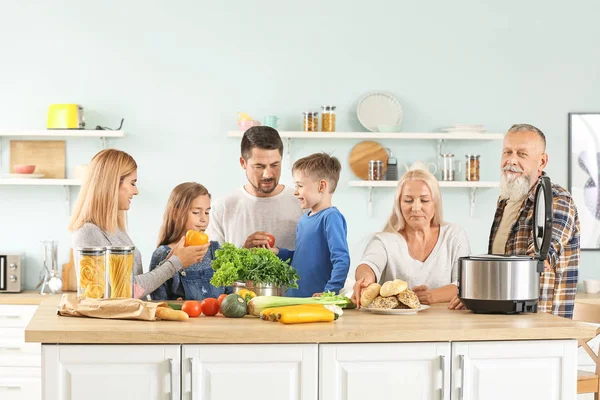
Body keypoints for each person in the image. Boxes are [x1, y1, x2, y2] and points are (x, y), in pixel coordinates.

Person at [449, 124, 580, 318]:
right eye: (507, 152)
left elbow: (540, 255)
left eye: (522, 154)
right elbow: (500, 264)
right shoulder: (505, 200)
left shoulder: (556, 199)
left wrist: (479, 289)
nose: (511, 160)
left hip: (543, 326)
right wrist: (475, 294)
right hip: (505, 322)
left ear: (542, 162)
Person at [69, 149, 208, 299]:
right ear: (112, 183)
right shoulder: (88, 233)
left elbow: (135, 289)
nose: (136, 191)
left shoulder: (115, 231)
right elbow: (125, 291)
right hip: (111, 323)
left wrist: (171, 260)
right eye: (132, 183)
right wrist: (175, 263)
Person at [352, 169, 471, 307]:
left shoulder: (454, 236)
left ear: (435, 203)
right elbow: (369, 264)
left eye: (424, 200)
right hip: (394, 325)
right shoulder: (384, 240)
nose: (416, 208)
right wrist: (365, 280)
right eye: (408, 200)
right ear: (399, 204)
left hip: (445, 322)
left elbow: (464, 284)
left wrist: (432, 296)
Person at [207, 126, 304, 249]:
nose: (268, 174)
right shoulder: (222, 208)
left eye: (274, 165)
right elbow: (214, 265)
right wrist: (243, 252)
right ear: (243, 163)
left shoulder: (302, 202)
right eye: (259, 166)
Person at [271, 153, 350, 297]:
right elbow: (303, 258)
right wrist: (279, 252)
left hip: (315, 302)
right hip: (293, 297)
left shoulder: (331, 217)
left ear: (321, 186)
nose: (295, 192)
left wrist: (329, 293)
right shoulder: (304, 220)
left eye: (300, 186)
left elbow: (341, 260)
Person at [149, 182, 233, 300]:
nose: (203, 219)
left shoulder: (216, 250)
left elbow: (230, 298)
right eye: (196, 212)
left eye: (207, 212)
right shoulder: (164, 253)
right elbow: (158, 304)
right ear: (175, 214)